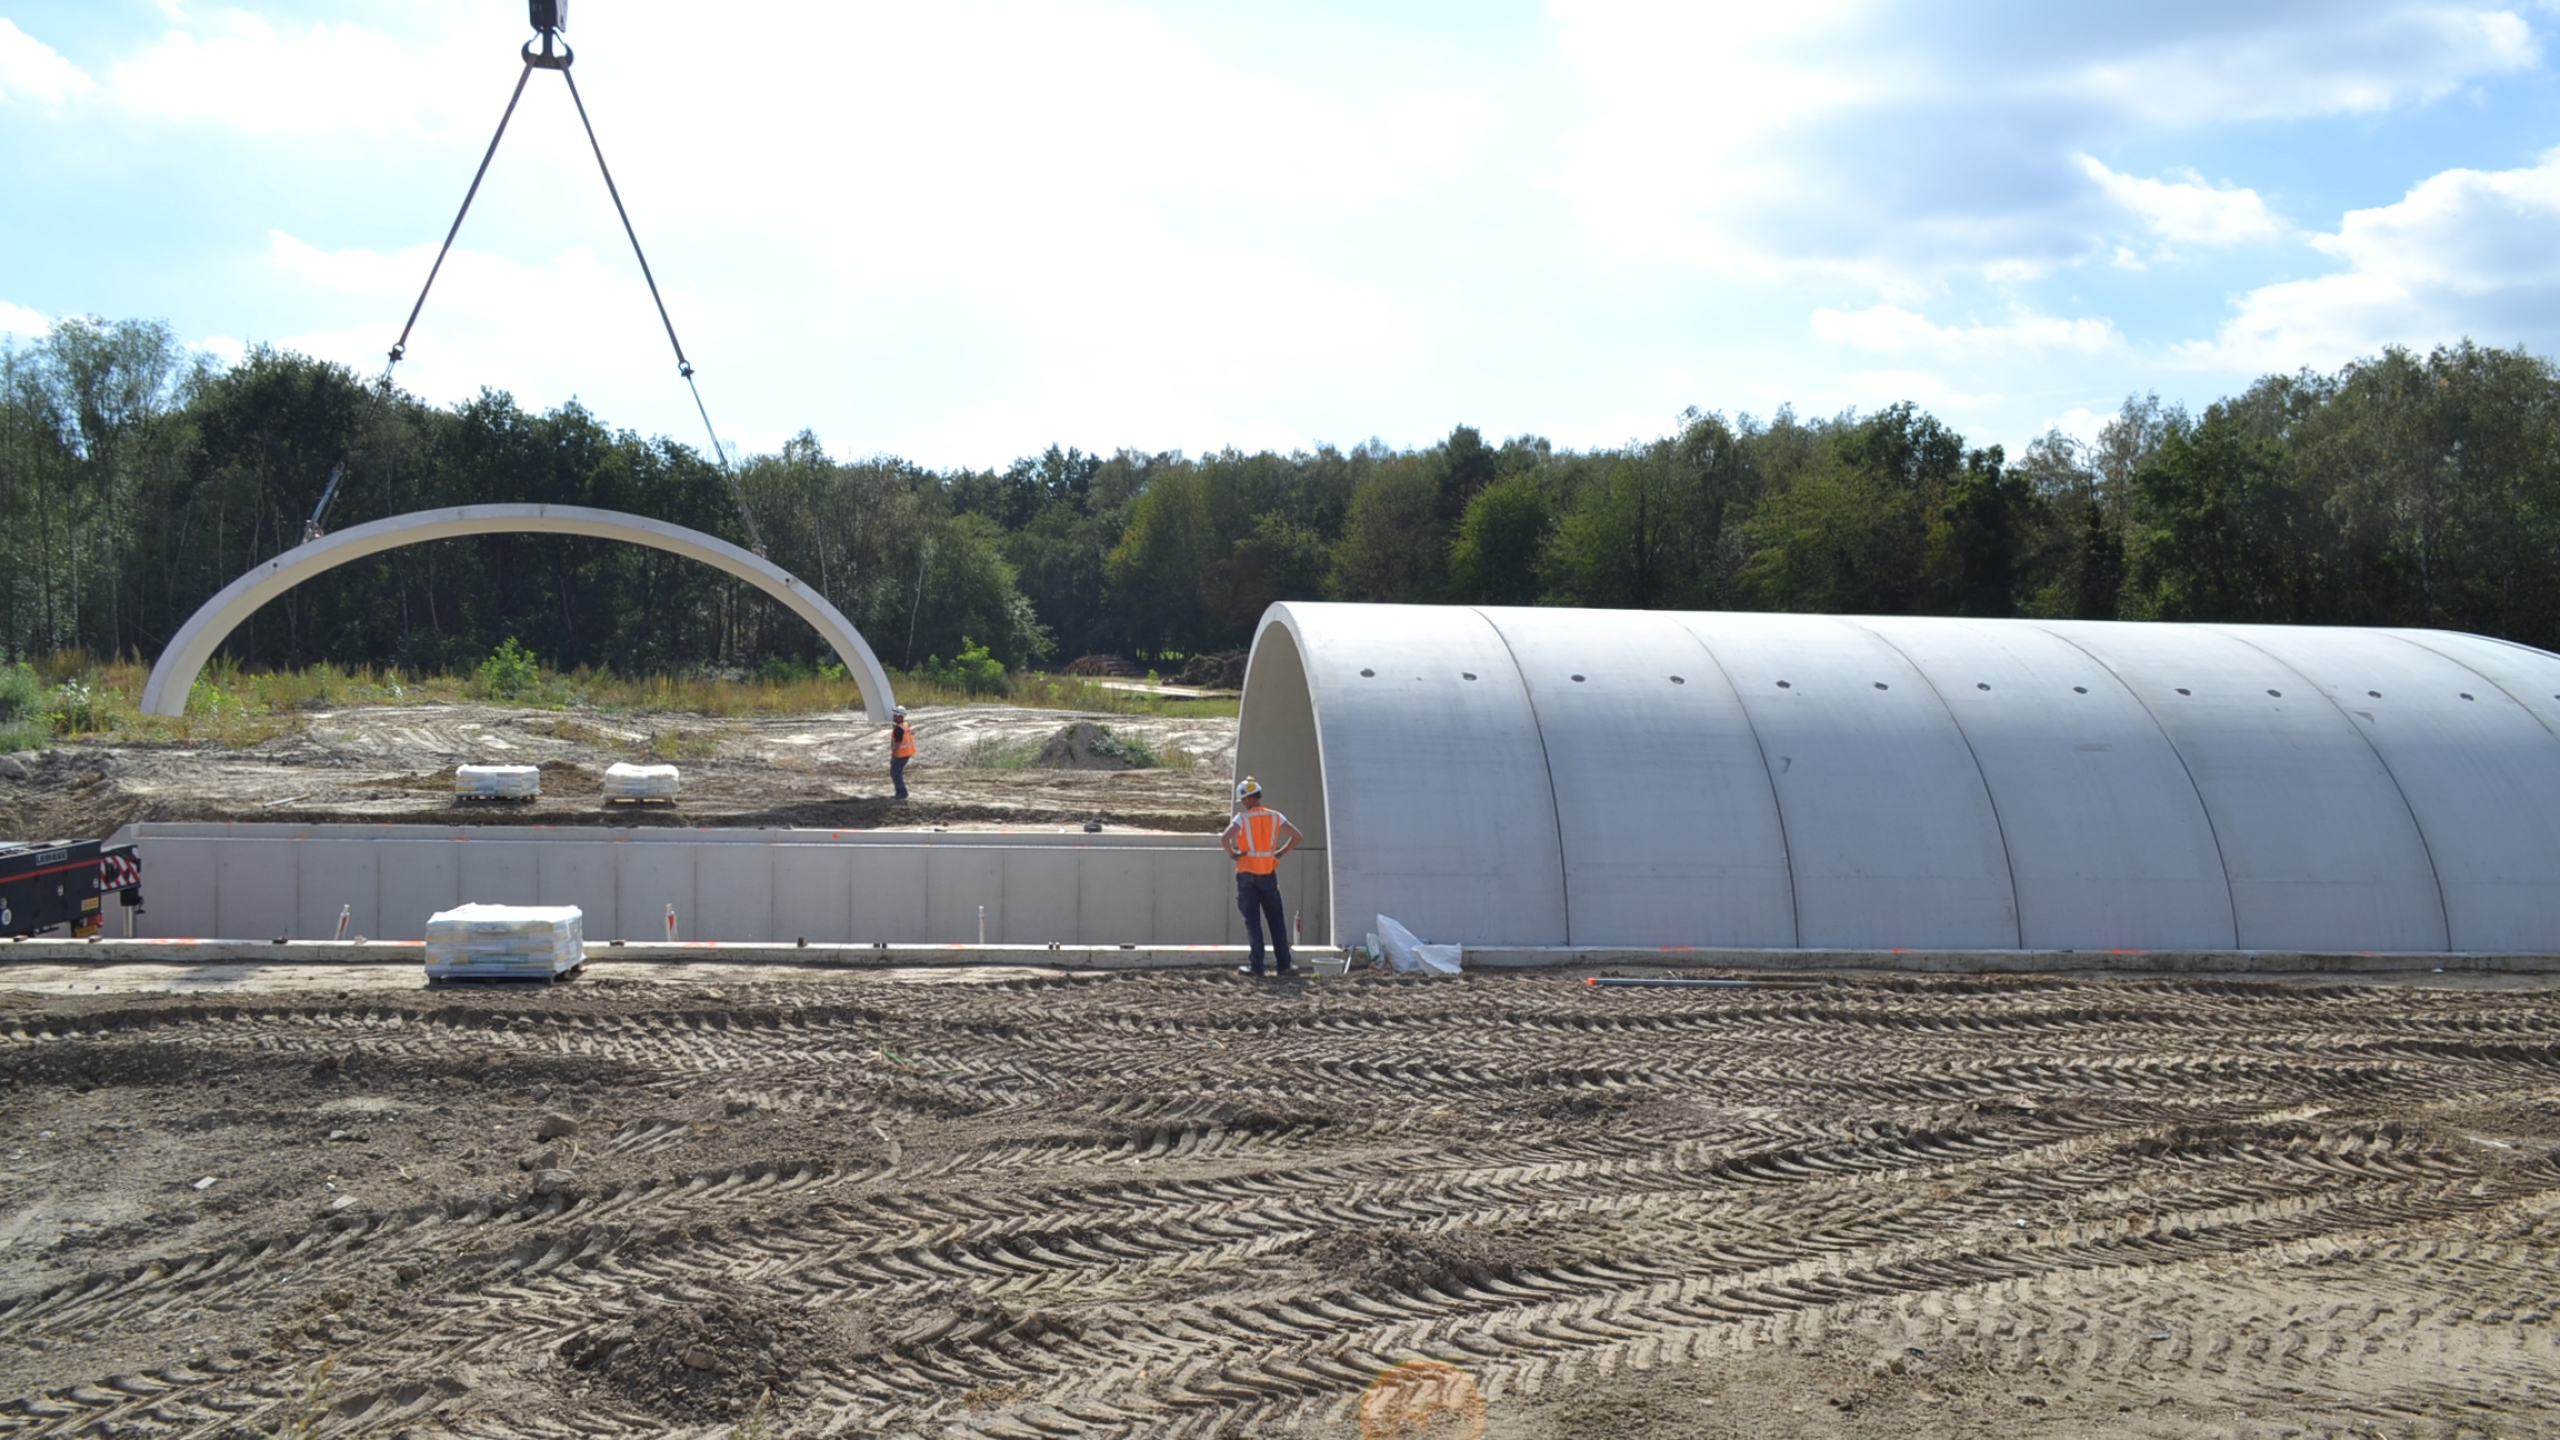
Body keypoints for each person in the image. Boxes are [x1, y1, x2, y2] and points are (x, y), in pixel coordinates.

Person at [1223, 776, 1303, 977]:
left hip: (1246, 875)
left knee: (1253, 922)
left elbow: (1224, 838)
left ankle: (1256, 967)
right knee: (1276, 919)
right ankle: (1284, 965)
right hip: (1268, 873)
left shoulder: (1242, 819)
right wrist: (1280, 853)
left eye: (1243, 800)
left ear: (1248, 799)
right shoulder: (1275, 816)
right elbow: (1297, 836)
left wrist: (1233, 854)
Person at [888, 704, 915, 800]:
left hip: (901, 754)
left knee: (895, 772)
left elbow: (898, 744)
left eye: (895, 715)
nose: (894, 716)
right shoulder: (904, 725)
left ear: (900, 716)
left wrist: (894, 757)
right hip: (907, 753)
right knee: (896, 772)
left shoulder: (899, 729)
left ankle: (902, 792)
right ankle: (900, 792)